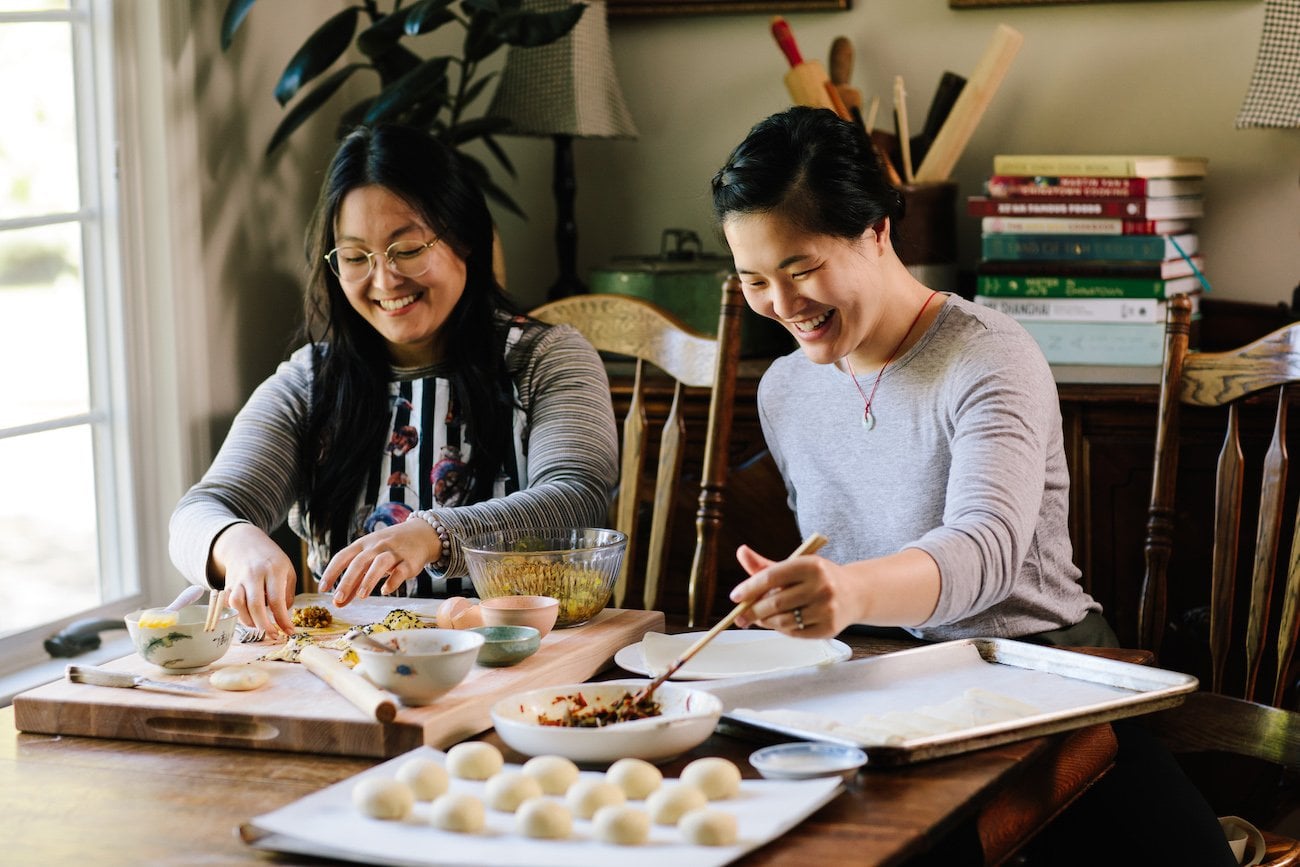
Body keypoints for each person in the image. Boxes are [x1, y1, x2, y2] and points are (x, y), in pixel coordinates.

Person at [710, 106, 1235, 866]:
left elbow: (983, 549)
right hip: (887, 688)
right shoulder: (786, 388)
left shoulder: (989, 357)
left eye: (800, 268)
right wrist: (811, 604)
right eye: (754, 279)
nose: (783, 305)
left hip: (1043, 676)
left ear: (877, 231)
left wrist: (849, 591)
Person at [169, 124, 618, 639]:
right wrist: (236, 542)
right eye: (357, 258)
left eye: (406, 249)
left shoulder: (547, 358)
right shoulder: (309, 384)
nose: (384, 281)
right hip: (359, 666)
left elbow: (577, 497)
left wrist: (432, 534)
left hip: (528, 665)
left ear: (464, 238)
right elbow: (198, 512)